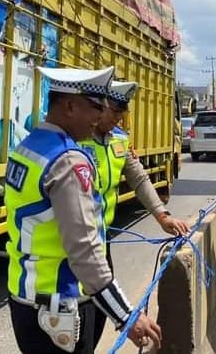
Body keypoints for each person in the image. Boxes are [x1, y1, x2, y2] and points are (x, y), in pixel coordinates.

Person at [5, 66, 162, 353]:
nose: (100, 117)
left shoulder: (28, 147)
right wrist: (126, 316)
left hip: (25, 298)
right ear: (69, 106)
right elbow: (84, 251)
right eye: (95, 107)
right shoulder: (67, 161)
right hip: (59, 305)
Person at [80, 80, 190, 345]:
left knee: (97, 315)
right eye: (114, 112)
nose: (118, 118)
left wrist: (162, 216)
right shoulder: (76, 139)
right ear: (98, 106)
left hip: (100, 239)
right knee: (78, 317)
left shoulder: (119, 139)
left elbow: (139, 180)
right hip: (76, 242)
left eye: (121, 113)